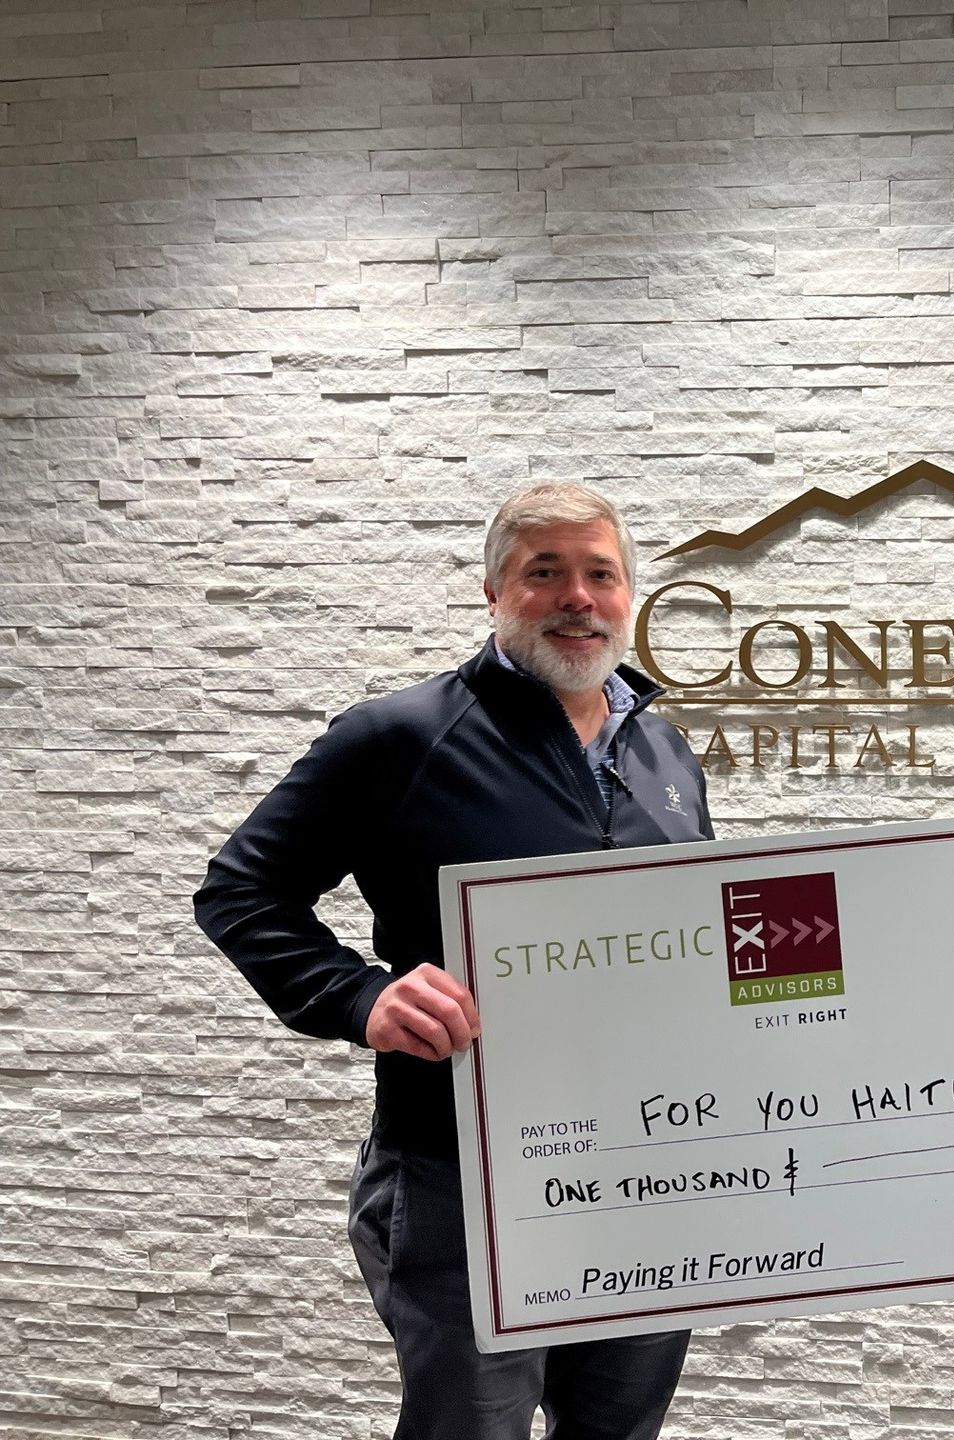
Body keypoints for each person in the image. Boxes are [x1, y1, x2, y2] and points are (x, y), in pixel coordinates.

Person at [195, 482, 711, 1439]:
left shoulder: (666, 753)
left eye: (601, 574)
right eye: (544, 572)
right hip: (462, 1176)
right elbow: (241, 892)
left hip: (650, 1172)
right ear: (493, 591)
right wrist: (361, 998)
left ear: (629, 595)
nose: (578, 597)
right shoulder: (399, 736)